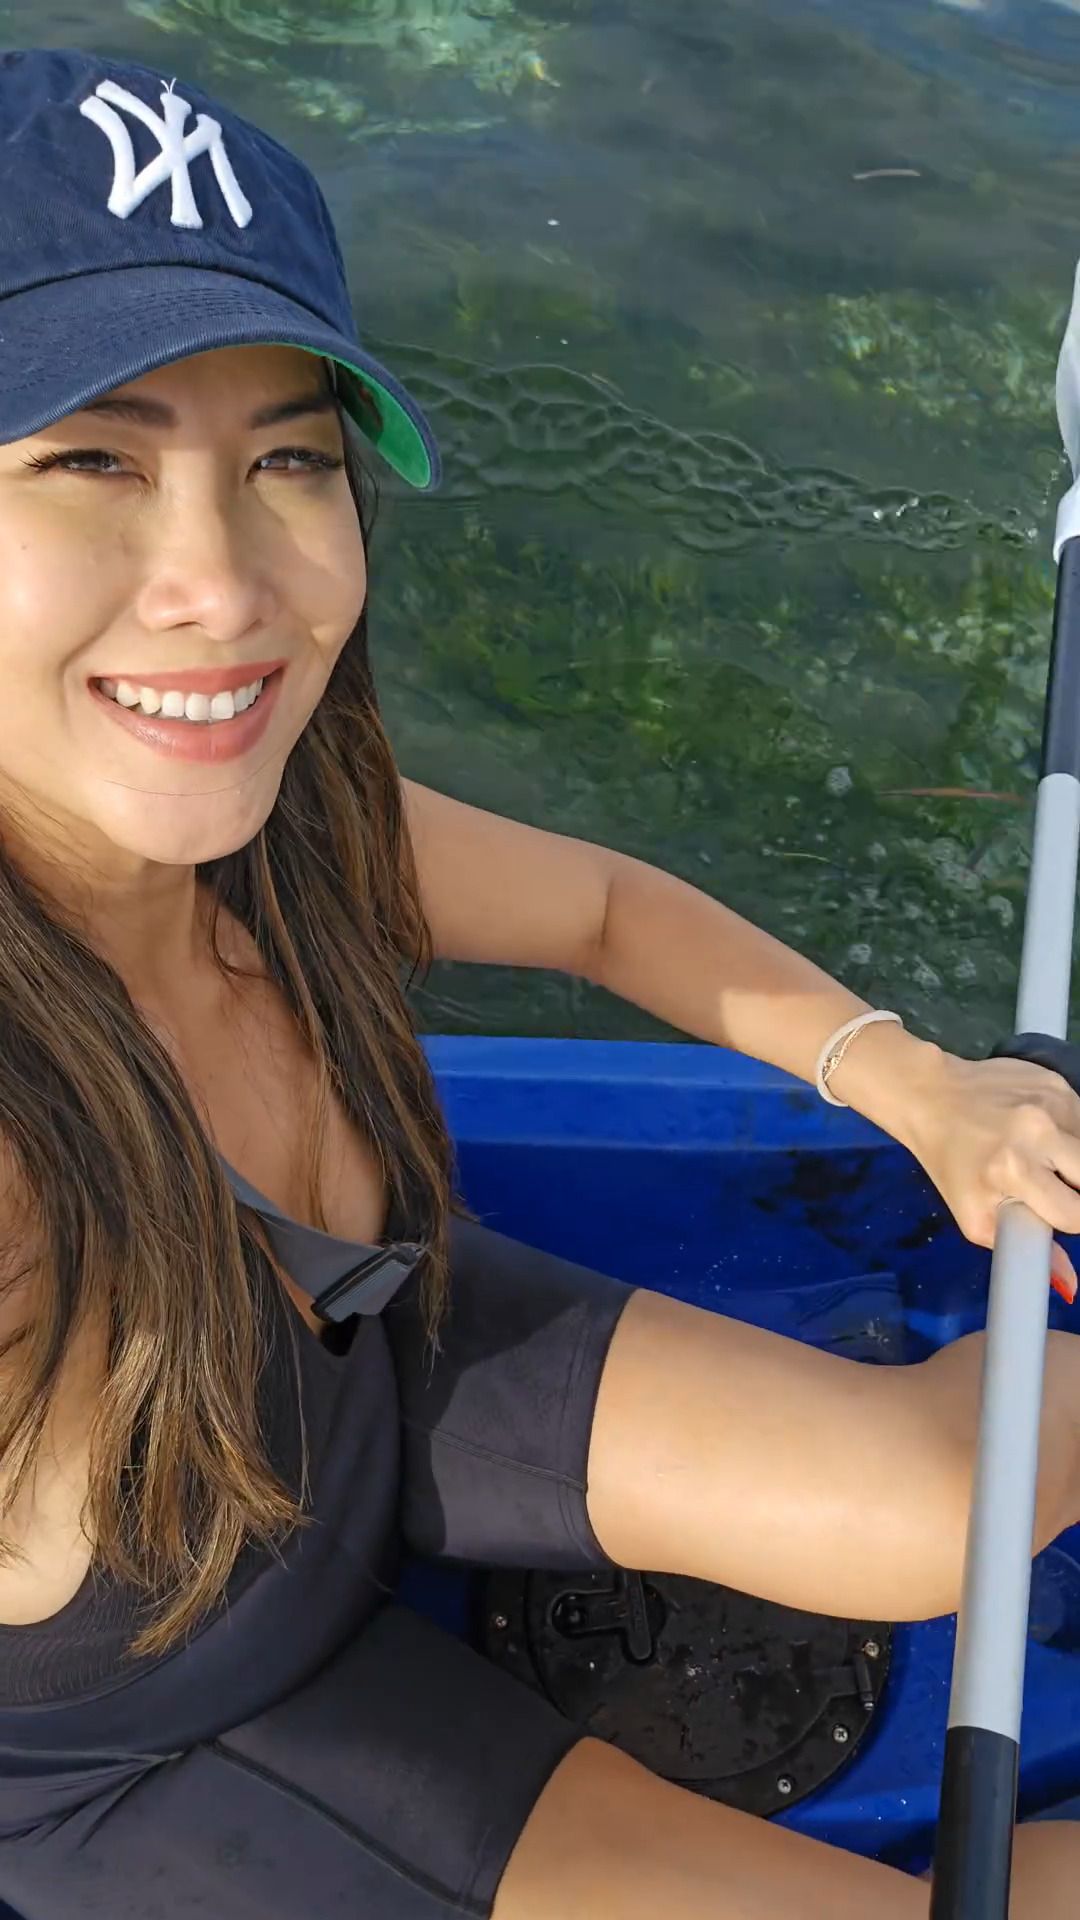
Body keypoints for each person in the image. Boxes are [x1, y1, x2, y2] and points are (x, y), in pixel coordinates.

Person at [0, 43, 1078, 1920]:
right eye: (90, 459)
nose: (220, 586)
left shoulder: (290, 826)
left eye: (287, 460)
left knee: (942, 1504)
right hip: (194, 1722)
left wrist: (912, 1080)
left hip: (389, 1362)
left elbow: (604, 908)